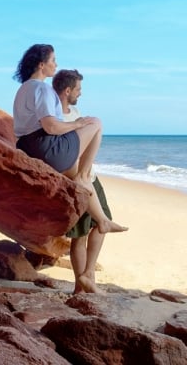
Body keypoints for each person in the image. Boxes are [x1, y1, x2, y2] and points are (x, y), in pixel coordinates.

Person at [12, 44, 127, 287]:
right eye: (52, 60)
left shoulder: (23, 89)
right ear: (41, 64)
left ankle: (102, 221)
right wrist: (78, 124)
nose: (55, 64)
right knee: (95, 122)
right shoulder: (41, 89)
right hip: (46, 147)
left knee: (78, 165)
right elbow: (51, 127)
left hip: (29, 146)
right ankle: (85, 178)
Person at [52, 68, 114, 293]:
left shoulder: (76, 111)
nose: (80, 93)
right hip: (75, 180)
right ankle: (80, 285)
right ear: (67, 90)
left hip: (91, 177)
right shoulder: (55, 115)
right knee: (79, 234)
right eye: (78, 89)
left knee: (102, 223)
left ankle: (88, 275)